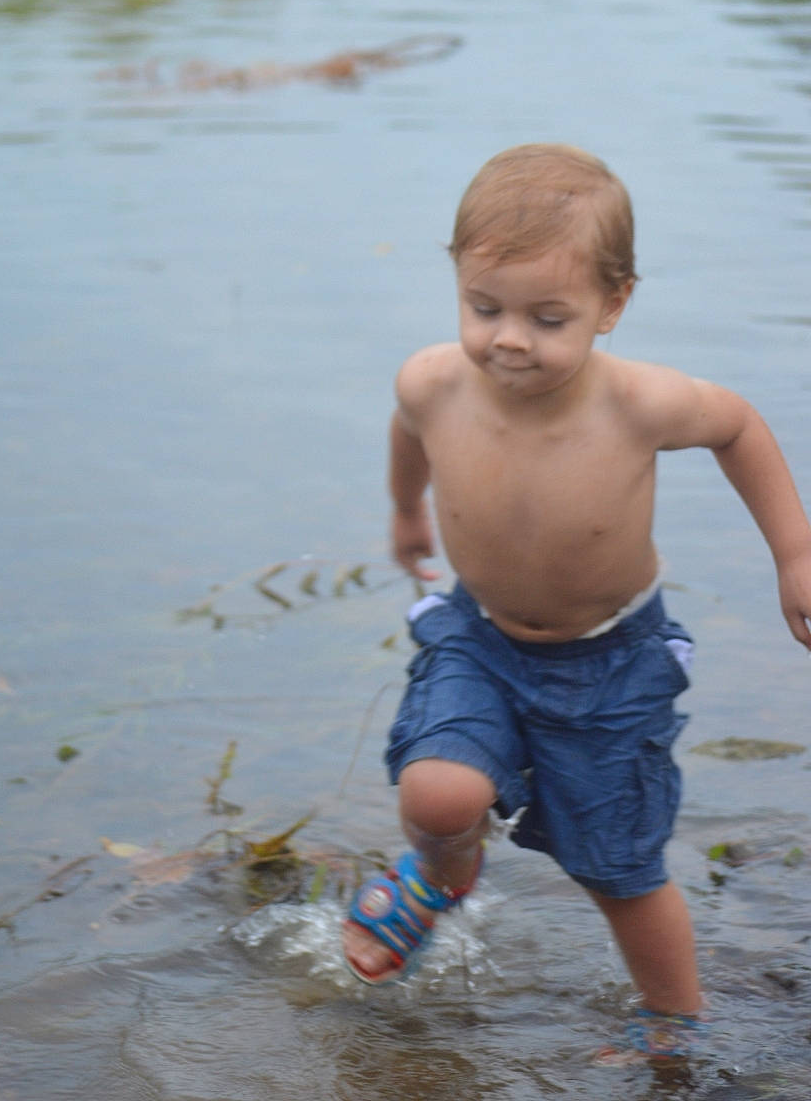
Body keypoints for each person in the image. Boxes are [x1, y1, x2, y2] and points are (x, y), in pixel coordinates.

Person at [342, 143, 811, 1061]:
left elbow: (741, 428)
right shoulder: (434, 380)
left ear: (614, 304)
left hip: (608, 661)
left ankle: (672, 1020)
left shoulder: (639, 405)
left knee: (618, 866)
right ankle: (444, 871)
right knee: (438, 792)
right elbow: (410, 434)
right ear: (457, 284)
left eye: (547, 318)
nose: (509, 339)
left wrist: (795, 554)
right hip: (479, 636)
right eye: (485, 309)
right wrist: (405, 513)